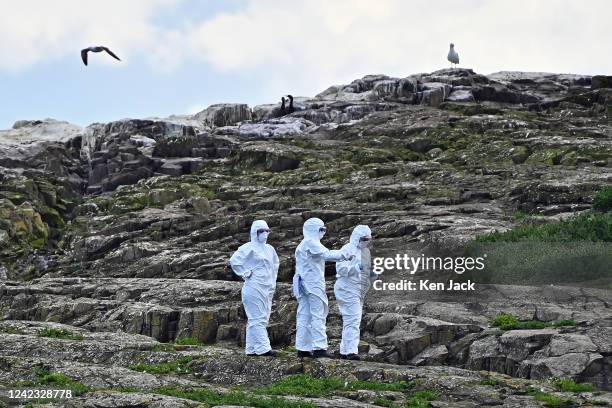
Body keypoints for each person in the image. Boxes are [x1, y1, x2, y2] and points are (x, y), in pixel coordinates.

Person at [293, 217, 352, 358]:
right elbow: (327, 254)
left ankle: (303, 347)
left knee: (304, 315)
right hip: (312, 284)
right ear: (314, 229)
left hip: (302, 284)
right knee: (318, 313)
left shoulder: (303, 244)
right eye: (321, 229)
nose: (323, 232)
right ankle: (319, 347)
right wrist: (345, 254)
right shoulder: (311, 242)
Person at [229, 220, 279, 356]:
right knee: (258, 318)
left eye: (267, 231)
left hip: (267, 288)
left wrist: (272, 282)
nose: (265, 234)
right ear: (255, 232)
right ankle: (263, 348)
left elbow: (275, 265)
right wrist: (246, 272)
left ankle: (251, 349)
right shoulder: (248, 247)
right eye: (261, 231)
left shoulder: (270, 249)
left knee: (260, 317)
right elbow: (234, 261)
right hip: (253, 287)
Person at [334, 225, 375, 360]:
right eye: (364, 239)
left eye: (368, 239)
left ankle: (345, 351)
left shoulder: (366, 252)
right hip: (347, 287)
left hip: (359, 290)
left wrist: (371, 275)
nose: (366, 241)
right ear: (357, 237)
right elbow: (340, 269)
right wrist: (355, 268)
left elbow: (365, 272)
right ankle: (351, 351)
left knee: (351, 320)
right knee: (353, 319)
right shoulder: (347, 249)